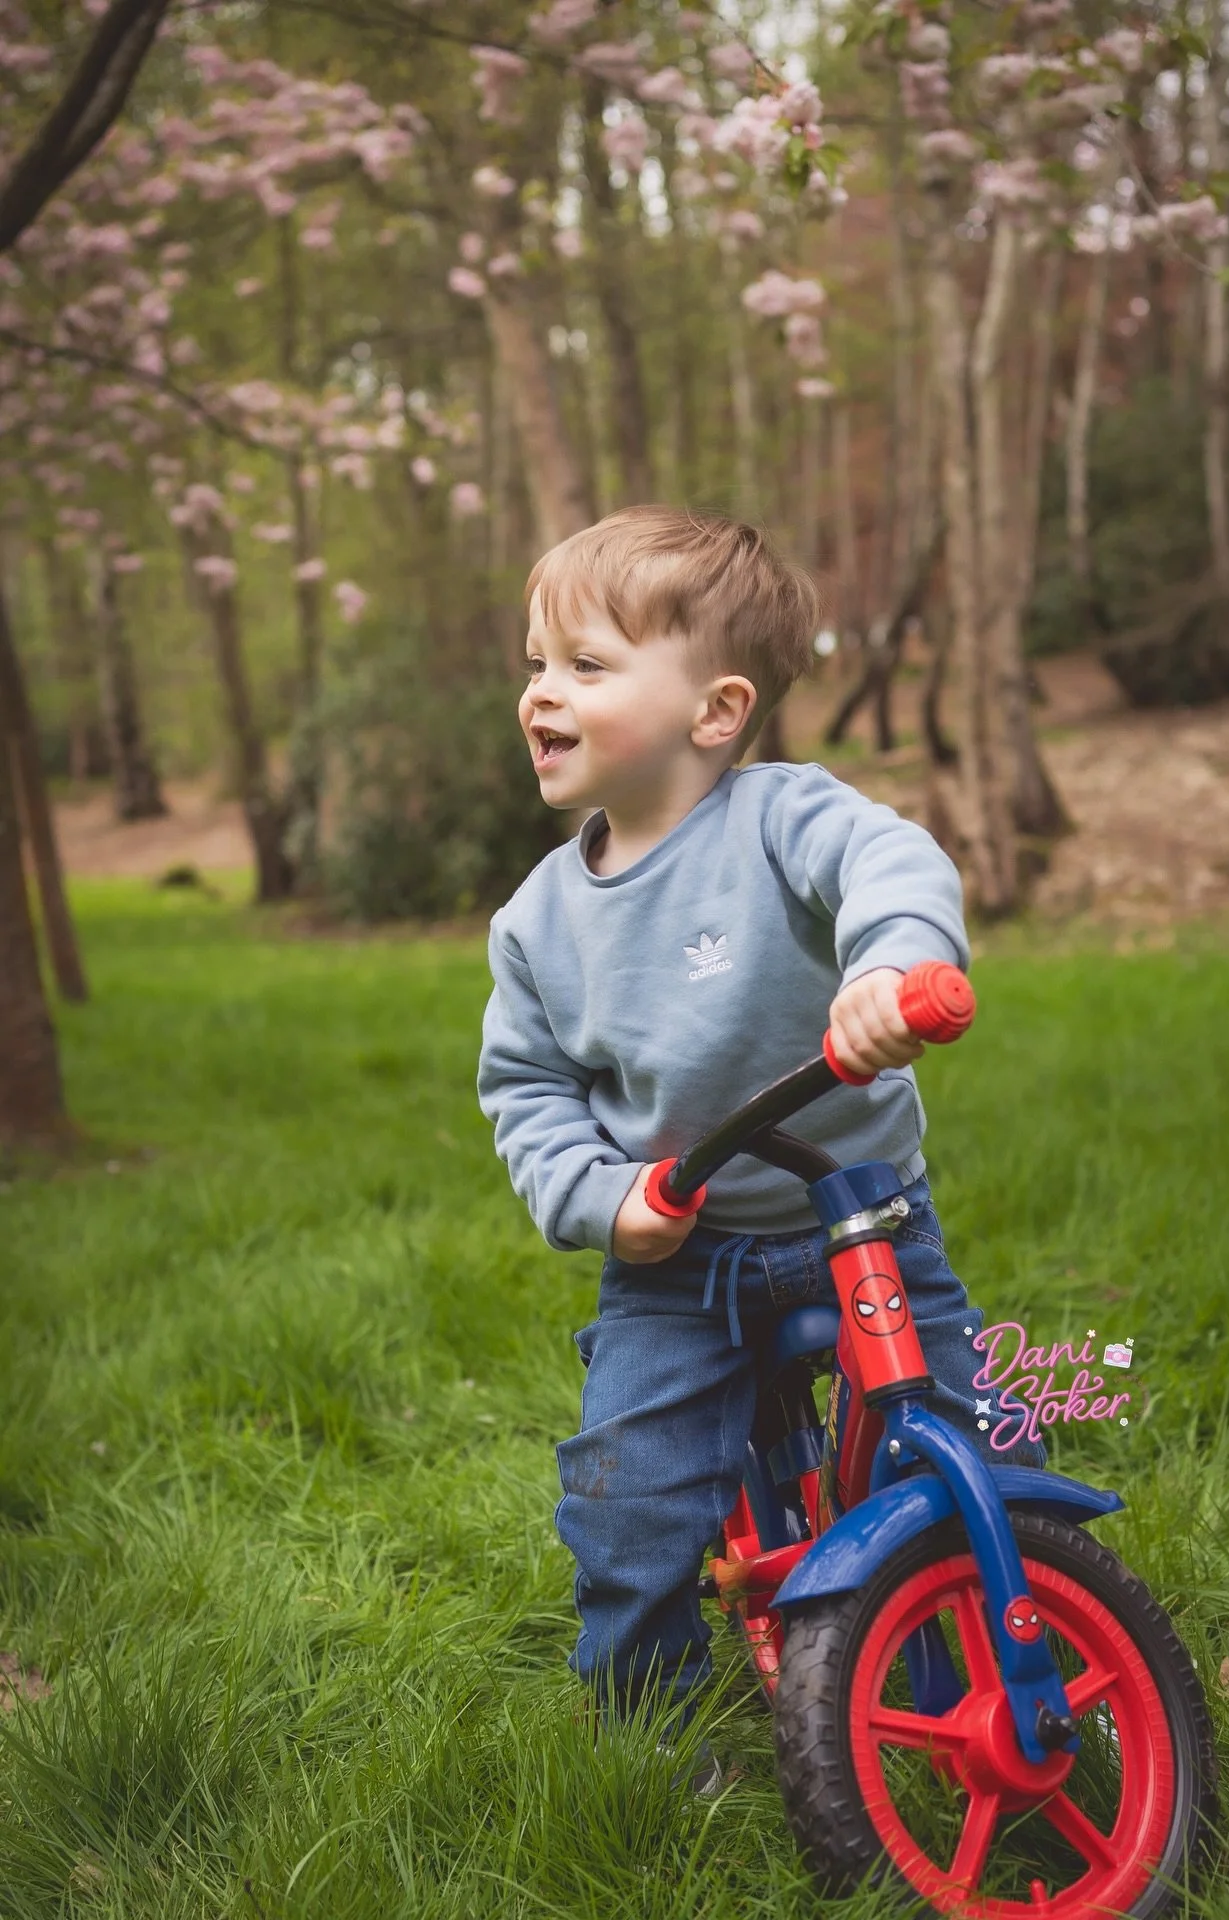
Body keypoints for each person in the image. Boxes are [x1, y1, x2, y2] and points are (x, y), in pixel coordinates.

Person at [477, 505, 1044, 1757]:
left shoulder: (785, 819)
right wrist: (601, 1199)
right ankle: (653, 1739)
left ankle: (983, 1671)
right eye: (535, 665)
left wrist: (892, 968)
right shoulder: (536, 923)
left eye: (585, 665)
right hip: (677, 1262)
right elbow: (525, 1091)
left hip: (867, 1220)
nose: (540, 695)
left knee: (955, 1461)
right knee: (627, 1507)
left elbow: (891, 865)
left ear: (716, 711)